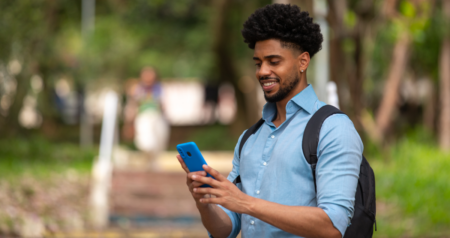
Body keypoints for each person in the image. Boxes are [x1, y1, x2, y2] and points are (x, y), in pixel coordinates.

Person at [176, 4, 362, 238]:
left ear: (303, 62)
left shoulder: (333, 128)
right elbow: (227, 229)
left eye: (274, 61)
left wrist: (244, 203)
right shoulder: (249, 138)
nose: (262, 71)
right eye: (258, 63)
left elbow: (333, 227)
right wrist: (205, 201)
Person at [123, 67, 169, 169]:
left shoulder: (159, 88)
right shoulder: (137, 89)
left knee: (158, 143)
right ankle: (148, 161)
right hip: (143, 118)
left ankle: (152, 164)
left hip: (157, 118)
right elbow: (132, 106)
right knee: (146, 143)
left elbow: (164, 105)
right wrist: (129, 124)